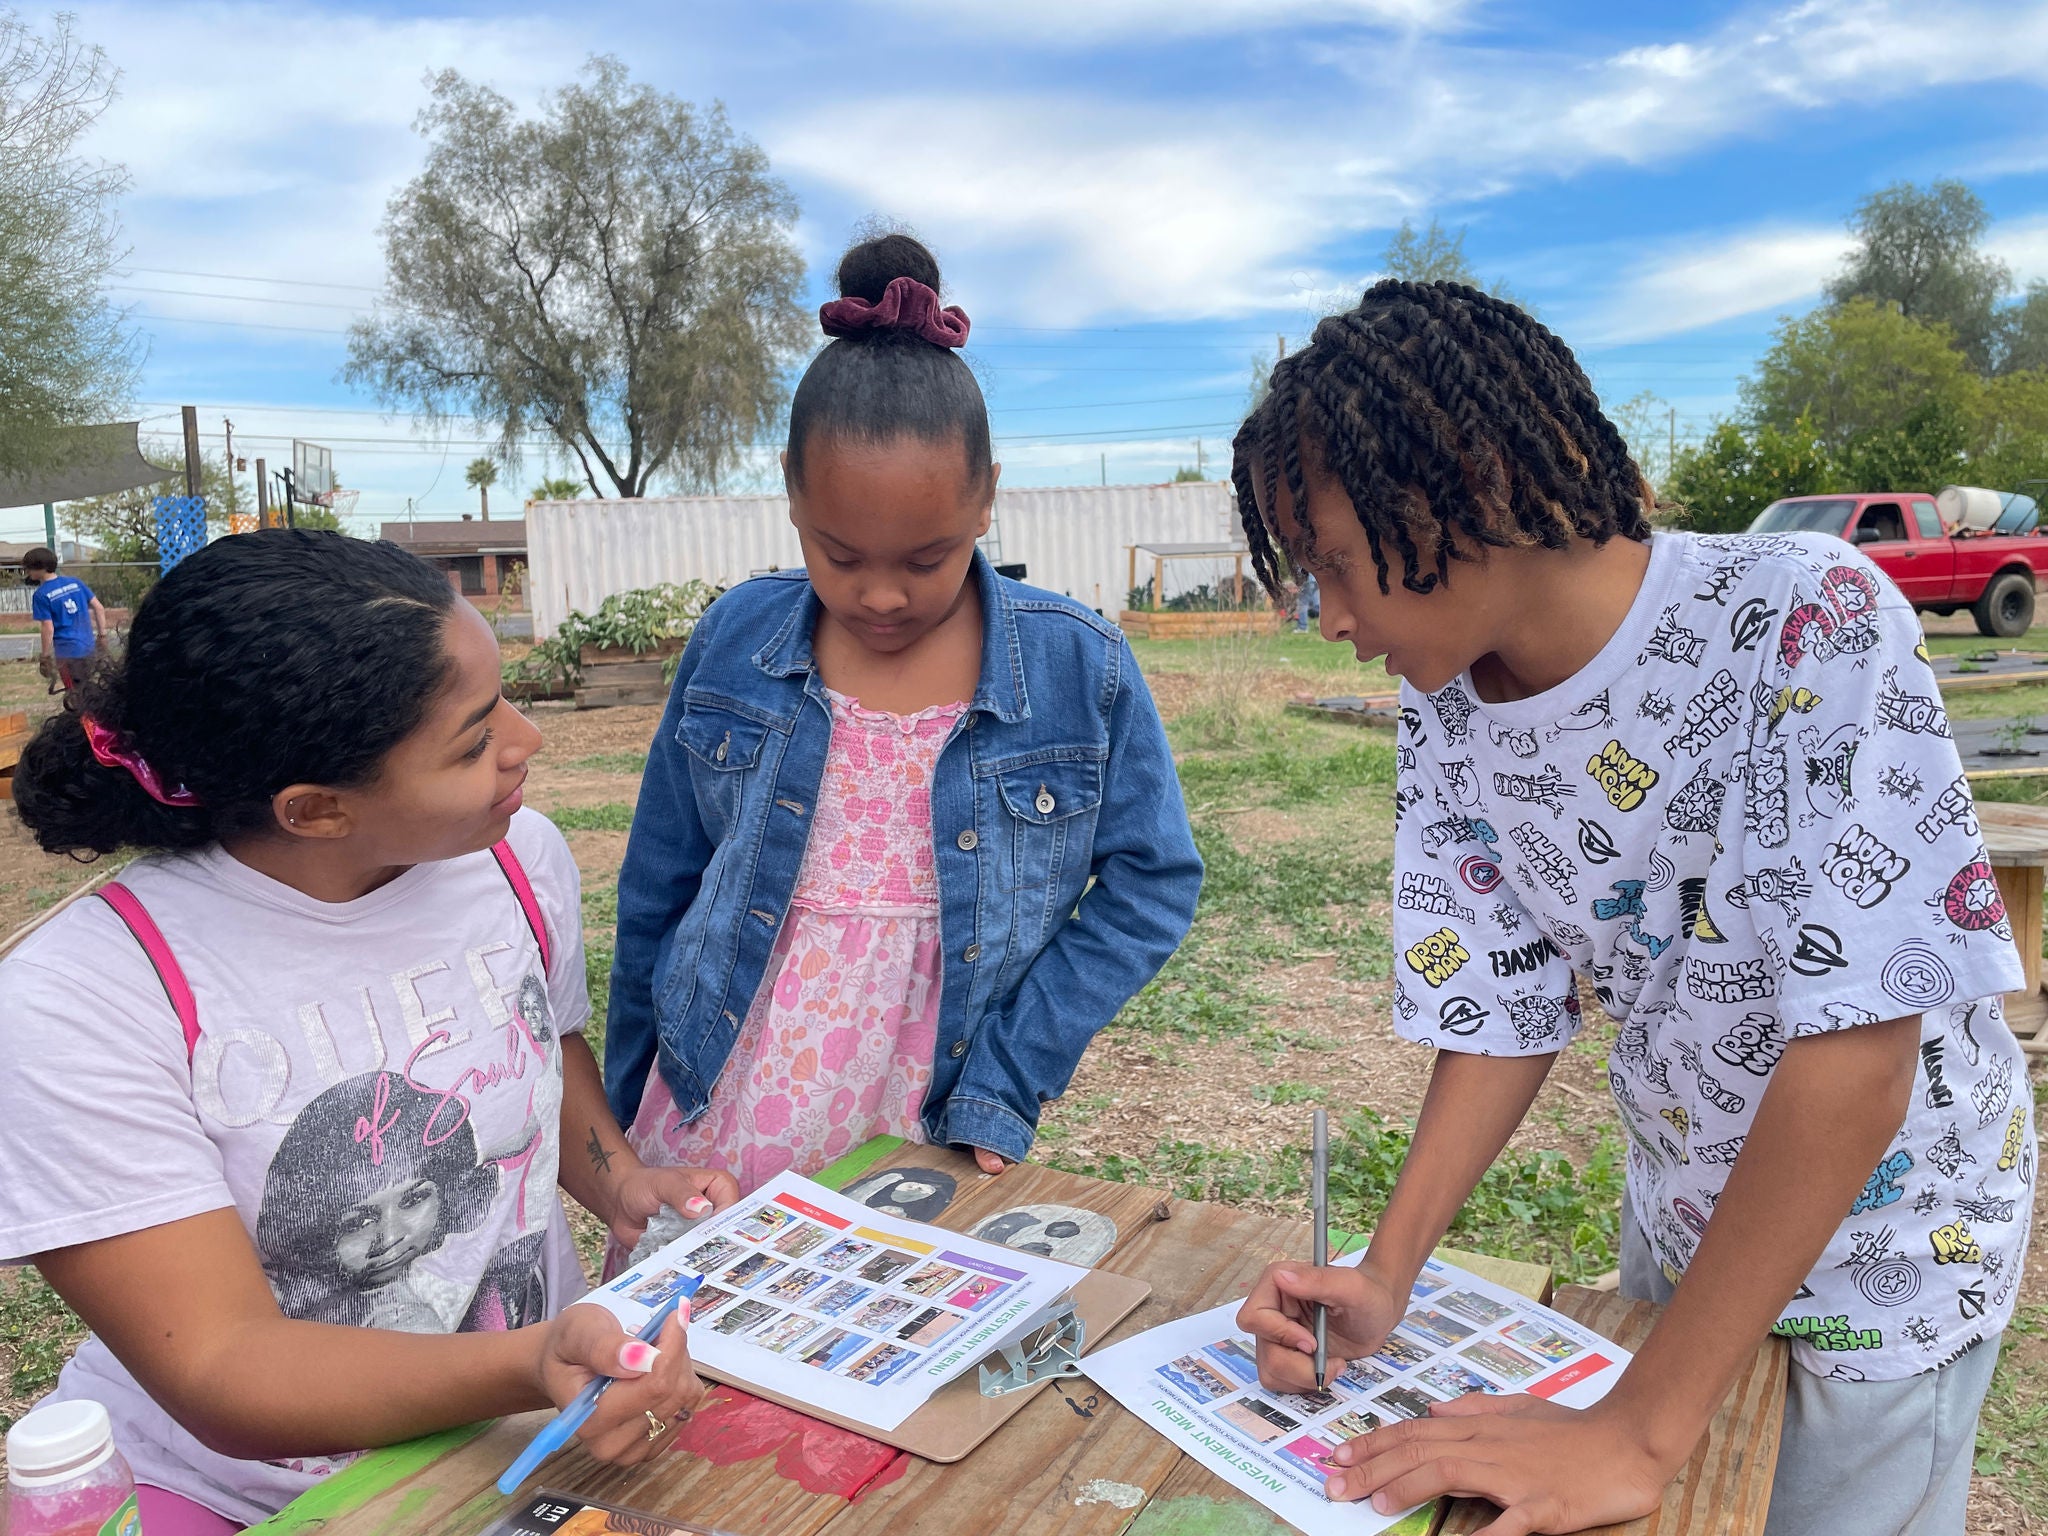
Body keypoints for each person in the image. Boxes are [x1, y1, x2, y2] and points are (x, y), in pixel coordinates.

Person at [1230, 281, 2031, 1536]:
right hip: (1686, 1223)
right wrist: (1385, 1274)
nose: (1328, 618)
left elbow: (1859, 1059)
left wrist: (1636, 1428)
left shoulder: (1803, 618)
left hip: (1887, 1265)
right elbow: (1500, 1008)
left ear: (1472, 481)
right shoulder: (1446, 704)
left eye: (1337, 563)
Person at [0, 530, 739, 1535]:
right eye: (474, 741)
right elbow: (222, 1365)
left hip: (520, 1443)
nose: (526, 741)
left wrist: (618, 1181)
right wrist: (526, 1361)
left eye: (504, 700)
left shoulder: (516, 859)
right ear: (314, 810)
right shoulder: (83, 996)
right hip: (236, 1495)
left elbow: (538, 1049)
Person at [605, 232, 1202, 1215]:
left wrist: (1006, 1079)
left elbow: (1153, 878)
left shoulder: (1073, 666)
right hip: (713, 1108)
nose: (880, 597)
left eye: (923, 560)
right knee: (694, 1355)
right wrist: (629, 1105)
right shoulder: (733, 640)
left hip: (923, 1117)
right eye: (839, 556)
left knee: (876, 1343)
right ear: (791, 496)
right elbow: (657, 883)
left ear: (986, 500)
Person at [24, 545, 107, 694]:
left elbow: (48, 628)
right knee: (88, 690)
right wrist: (102, 637)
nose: (27, 572)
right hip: (88, 648)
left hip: (68, 653)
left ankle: (81, 716)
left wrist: (45, 656)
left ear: (40, 568)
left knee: (74, 694)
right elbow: (99, 608)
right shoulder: (76, 582)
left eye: (29, 568)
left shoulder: (41, 595)